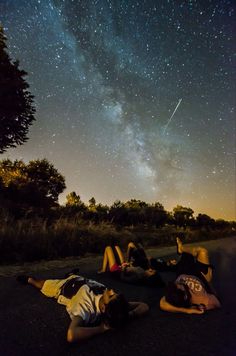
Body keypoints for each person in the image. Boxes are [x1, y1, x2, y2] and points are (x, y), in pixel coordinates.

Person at [17, 272, 149, 343]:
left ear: (103, 308)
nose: (112, 290)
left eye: (111, 295)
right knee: (73, 276)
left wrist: (102, 328)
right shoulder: (118, 306)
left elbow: (71, 335)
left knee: (41, 284)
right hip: (80, 280)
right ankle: (70, 274)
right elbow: (144, 306)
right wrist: (128, 316)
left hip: (63, 287)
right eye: (114, 293)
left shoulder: (85, 308)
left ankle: (29, 280)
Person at [160, 238, 221, 314]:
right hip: (199, 276)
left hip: (182, 272)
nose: (176, 283)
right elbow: (217, 303)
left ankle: (180, 251)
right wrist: (197, 308)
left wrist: (188, 311)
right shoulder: (198, 299)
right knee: (202, 251)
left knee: (187, 254)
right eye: (178, 286)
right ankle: (181, 250)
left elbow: (162, 303)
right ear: (185, 295)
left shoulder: (172, 293)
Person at [98, 244, 165, 286]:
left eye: (151, 271)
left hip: (117, 270)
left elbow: (123, 278)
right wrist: (129, 264)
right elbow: (132, 268)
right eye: (152, 270)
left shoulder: (137, 278)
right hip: (124, 265)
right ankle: (104, 269)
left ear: (149, 277)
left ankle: (103, 270)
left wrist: (123, 268)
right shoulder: (142, 271)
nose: (150, 269)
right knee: (116, 246)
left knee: (108, 248)